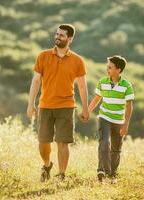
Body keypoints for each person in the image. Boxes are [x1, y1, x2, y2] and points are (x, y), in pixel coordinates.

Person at [27, 24, 89, 182]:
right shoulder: (43, 56)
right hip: (45, 105)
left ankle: (61, 175)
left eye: (61, 35)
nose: (57, 37)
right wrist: (30, 104)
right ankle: (47, 165)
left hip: (66, 106)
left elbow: (82, 85)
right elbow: (36, 81)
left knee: (63, 143)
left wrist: (86, 108)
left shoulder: (77, 60)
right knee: (43, 142)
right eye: (56, 34)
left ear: (70, 39)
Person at [88, 55, 134, 183]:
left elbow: (129, 106)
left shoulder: (126, 85)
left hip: (119, 121)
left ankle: (113, 173)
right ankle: (102, 170)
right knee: (104, 142)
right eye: (107, 66)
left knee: (116, 149)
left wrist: (125, 124)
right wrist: (87, 111)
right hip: (104, 117)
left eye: (110, 67)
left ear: (118, 70)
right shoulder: (102, 82)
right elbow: (97, 98)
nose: (107, 69)